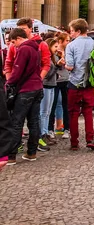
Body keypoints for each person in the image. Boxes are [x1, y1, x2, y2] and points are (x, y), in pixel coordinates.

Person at [6, 28, 44, 164]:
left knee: (17, 123)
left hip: (25, 90)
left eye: (13, 42)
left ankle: (11, 156)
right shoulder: (36, 48)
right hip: (37, 87)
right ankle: (32, 152)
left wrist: (8, 84)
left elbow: (17, 71)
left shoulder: (23, 49)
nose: (13, 45)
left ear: (18, 38)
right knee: (34, 122)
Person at [65, 18, 94, 151]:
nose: (71, 34)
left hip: (75, 83)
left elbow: (70, 66)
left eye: (72, 31)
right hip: (90, 83)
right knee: (88, 112)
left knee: (73, 113)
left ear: (78, 31)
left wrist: (63, 63)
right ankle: (90, 139)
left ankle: (74, 142)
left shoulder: (71, 46)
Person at [49, 32, 70, 140]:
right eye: (67, 40)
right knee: (52, 105)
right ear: (61, 41)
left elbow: (69, 64)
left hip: (66, 79)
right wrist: (60, 60)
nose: (69, 42)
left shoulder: (68, 51)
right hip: (56, 80)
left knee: (66, 105)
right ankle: (50, 129)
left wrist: (64, 57)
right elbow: (53, 65)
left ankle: (67, 128)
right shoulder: (54, 52)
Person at [39, 38, 59, 146]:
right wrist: (57, 67)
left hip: (52, 86)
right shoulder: (46, 58)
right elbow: (46, 75)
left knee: (48, 112)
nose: (57, 49)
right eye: (55, 46)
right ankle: (42, 133)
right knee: (44, 112)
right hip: (46, 86)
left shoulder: (53, 58)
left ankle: (45, 132)